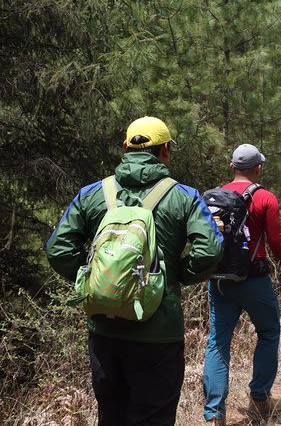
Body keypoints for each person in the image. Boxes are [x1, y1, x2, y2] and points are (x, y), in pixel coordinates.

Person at [46, 116, 223, 426]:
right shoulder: (184, 196)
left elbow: (57, 249)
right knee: (153, 417)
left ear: (125, 148)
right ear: (165, 150)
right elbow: (210, 250)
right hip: (159, 330)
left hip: (104, 328)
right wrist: (178, 274)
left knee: (111, 416)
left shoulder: (92, 193)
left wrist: (92, 280)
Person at [203, 144, 281, 424]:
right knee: (270, 331)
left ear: (231, 166)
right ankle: (259, 397)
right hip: (254, 279)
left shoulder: (212, 197)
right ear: (258, 168)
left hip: (220, 280)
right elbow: (276, 241)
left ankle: (214, 414)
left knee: (217, 342)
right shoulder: (265, 198)